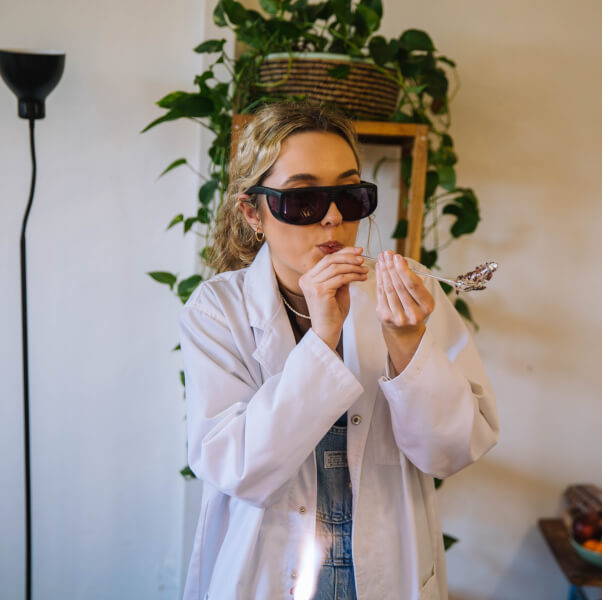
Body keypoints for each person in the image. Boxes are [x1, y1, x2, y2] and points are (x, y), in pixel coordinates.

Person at [178, 102, 499, 600]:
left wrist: (409, 346)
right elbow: (237, 467)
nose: (332, 217)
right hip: (265, 576)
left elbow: (451, 451)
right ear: (252, 211)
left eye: (349, 195)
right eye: (303, 199)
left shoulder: (407, 295)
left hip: (387, 572)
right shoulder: (217, 310)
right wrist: (322, 339)